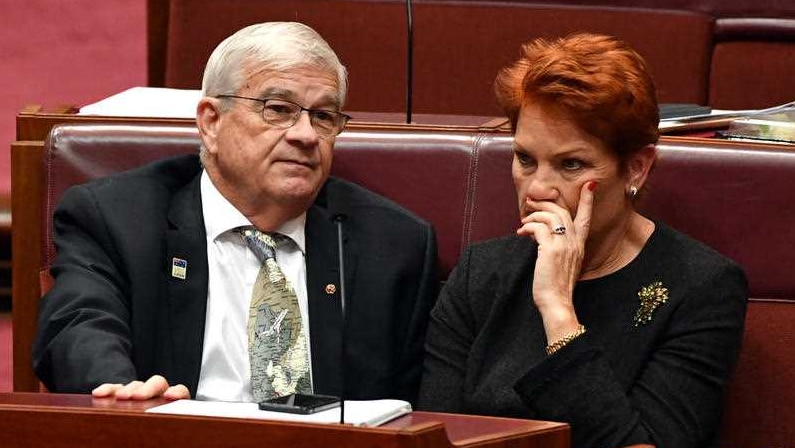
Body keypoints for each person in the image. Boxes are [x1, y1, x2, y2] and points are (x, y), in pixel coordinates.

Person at [33, 22, 438, 405]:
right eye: (278, 109)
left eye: (324, 117)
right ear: (211, 120)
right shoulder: (118, 218)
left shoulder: (393, 245)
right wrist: (125, 394)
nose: (306, 135)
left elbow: (421, 408)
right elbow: (78, 324)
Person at [418, 33, 747, 448]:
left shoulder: (700, 286)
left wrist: (558, 310)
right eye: (524, 159)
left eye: (570, 164)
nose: (537, 189)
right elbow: (434, 436)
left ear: (636, 169)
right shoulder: (480, 275)